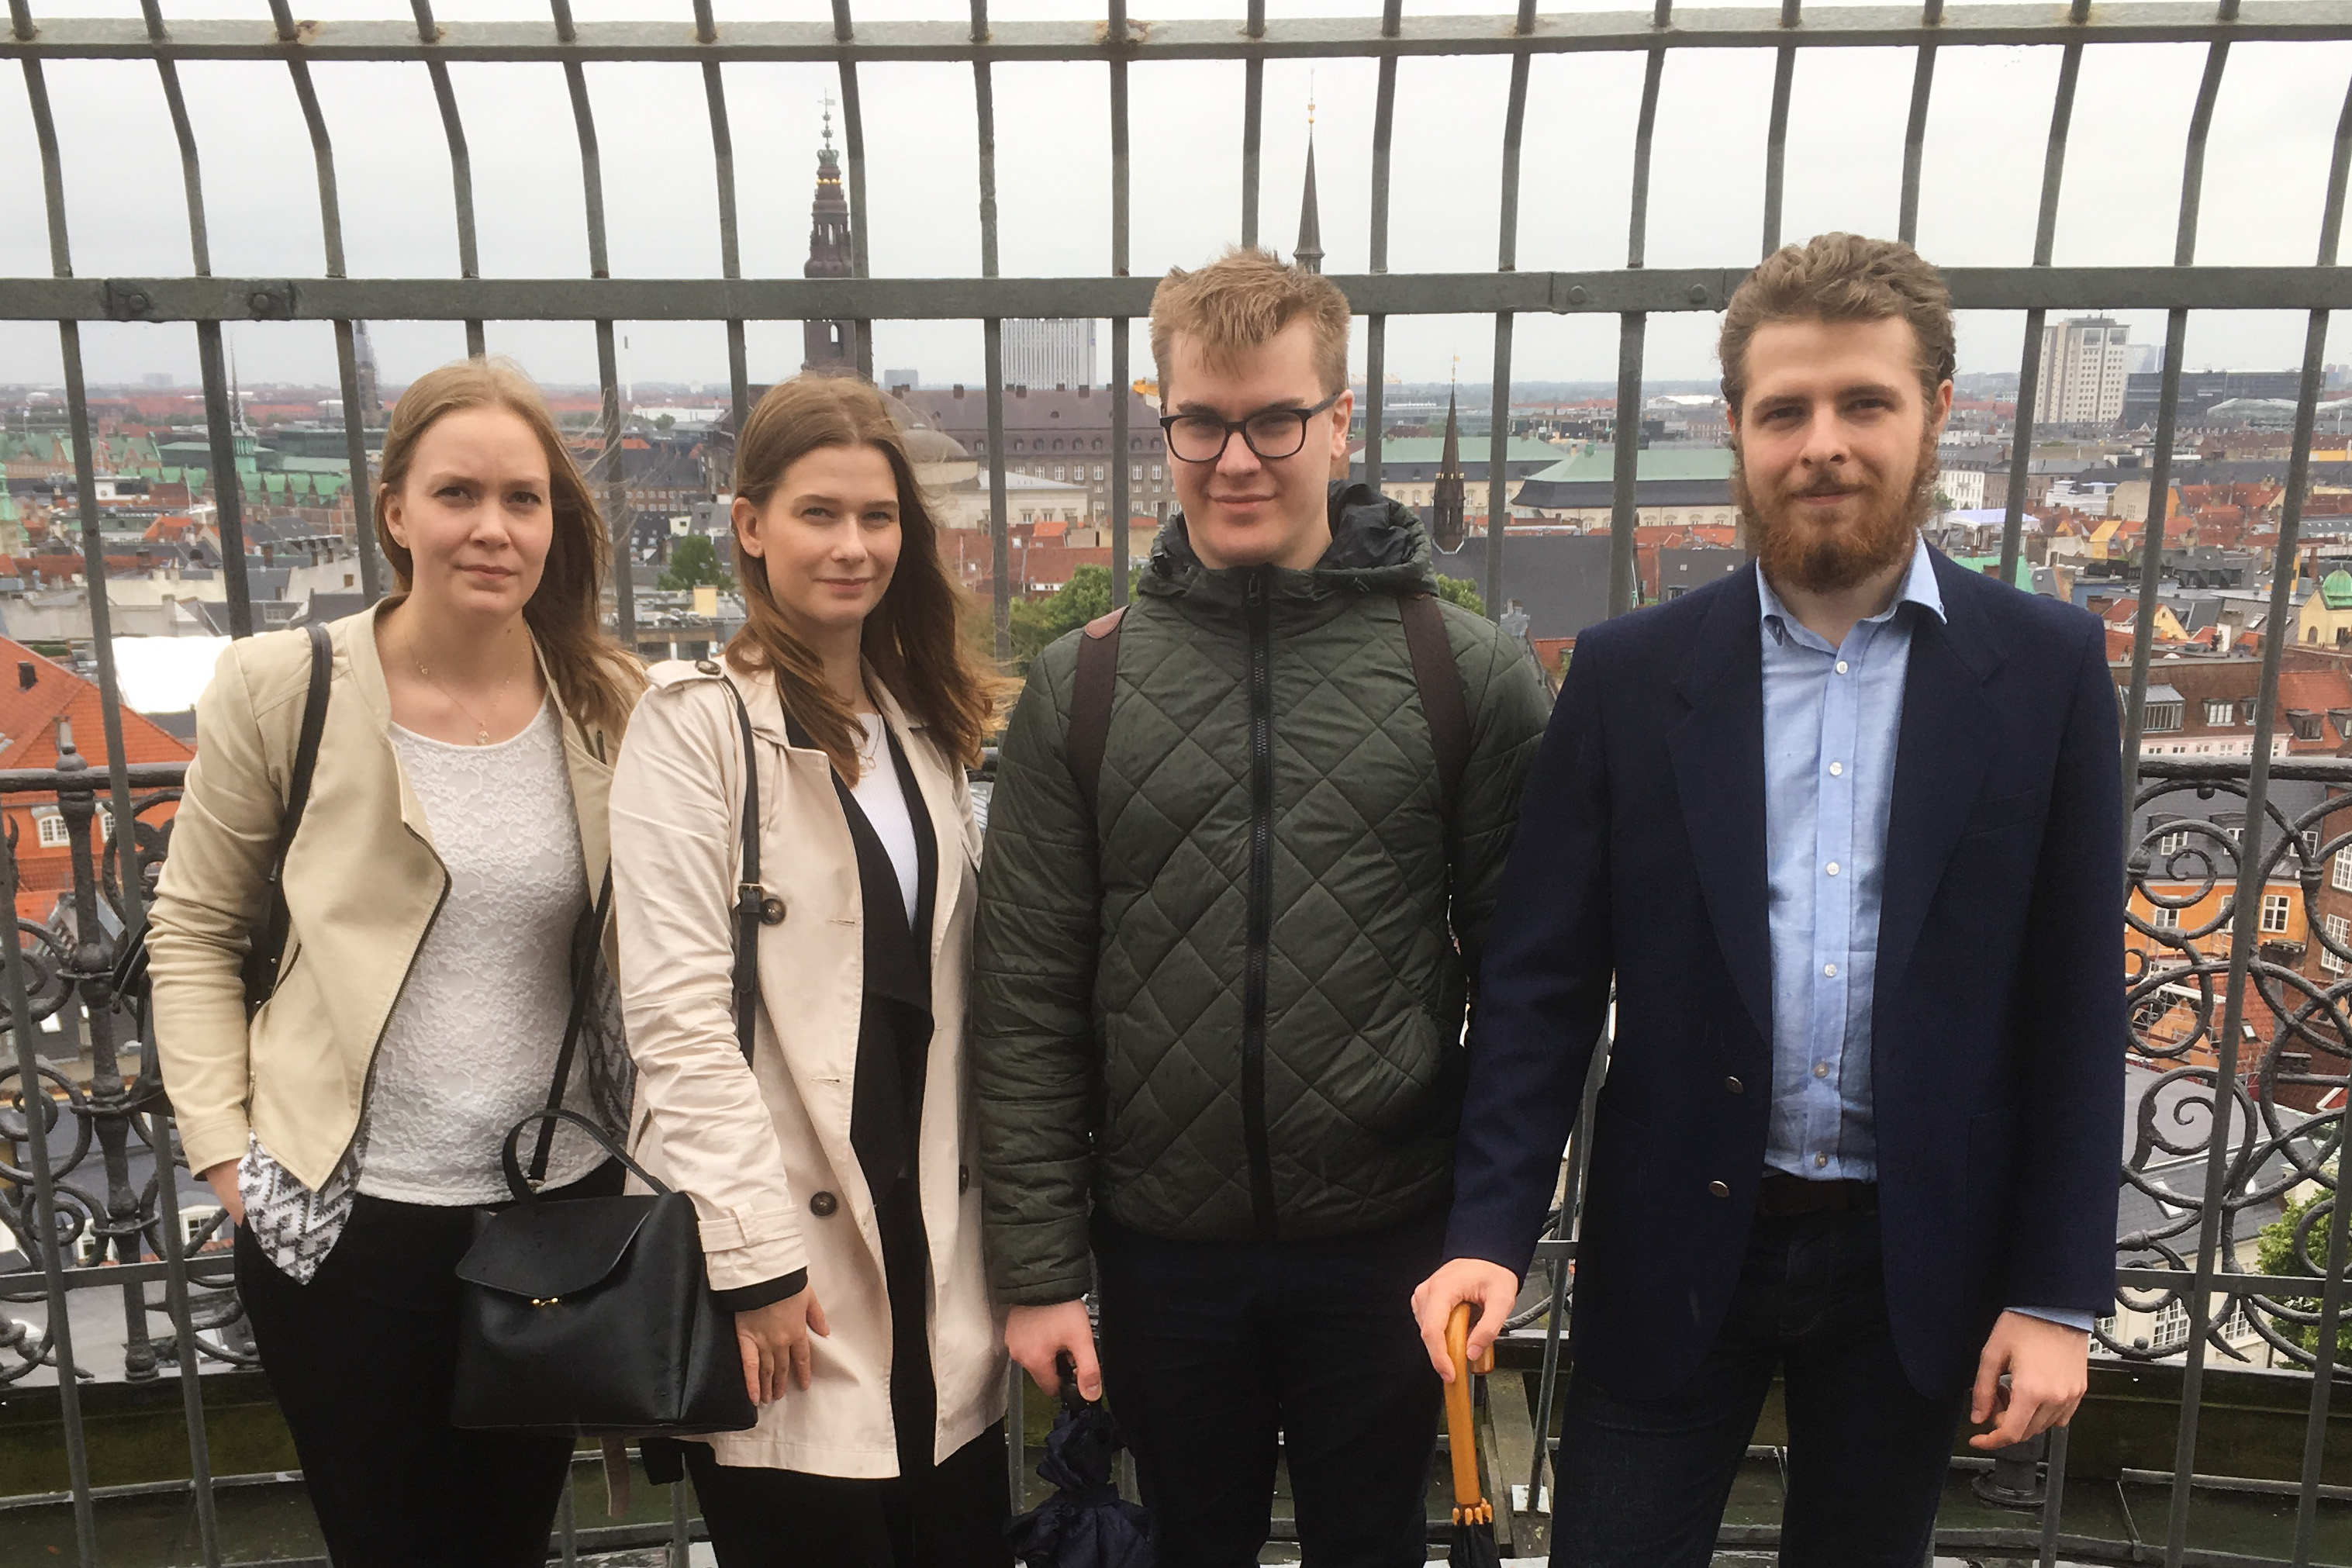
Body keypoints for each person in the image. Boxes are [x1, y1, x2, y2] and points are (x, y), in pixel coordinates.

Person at [1413, 233, 2126, 1566]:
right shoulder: (1630, 675)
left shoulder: (2044, 668)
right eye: (1784, 409)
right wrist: (1489, 1232)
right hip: (1676, 1236)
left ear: (1934, 419)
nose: (1823, 445)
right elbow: (1539, 983)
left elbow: (2077, 1001)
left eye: (1865, 402)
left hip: (1915, 1254)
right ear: (1736, 428)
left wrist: (2055, 1292)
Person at [972, 247, 1552, 1566]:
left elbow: (1529, 984)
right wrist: (1040, 1266)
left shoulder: (1464, 672)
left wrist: (1483, 1233)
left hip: (1390, 1240)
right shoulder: (1082, 686)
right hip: (1159, 1246)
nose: (1235, 459)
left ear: (1337, 422)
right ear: (1161, 419)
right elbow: (1026, 997)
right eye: (1200, 421)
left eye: (1274, 420)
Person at [146, 357, 645, 1565]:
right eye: (458, 493)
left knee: (510, 1535)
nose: (492, 527)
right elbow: (195, 929)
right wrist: (228, 1159)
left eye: (522, 499)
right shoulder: (286, 685)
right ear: (395, 511)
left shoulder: (608, 700)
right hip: (342, 1215)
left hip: (548, 1203)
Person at [608, 375, 1009, 1568]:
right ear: (749, 525)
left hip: (935, 1253)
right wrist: (750, 1266)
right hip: (788, 1256)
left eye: (877, 517)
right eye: (818, 514)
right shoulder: (692, 726)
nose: (853, 545)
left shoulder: (920, 722)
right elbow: (676, 1017)